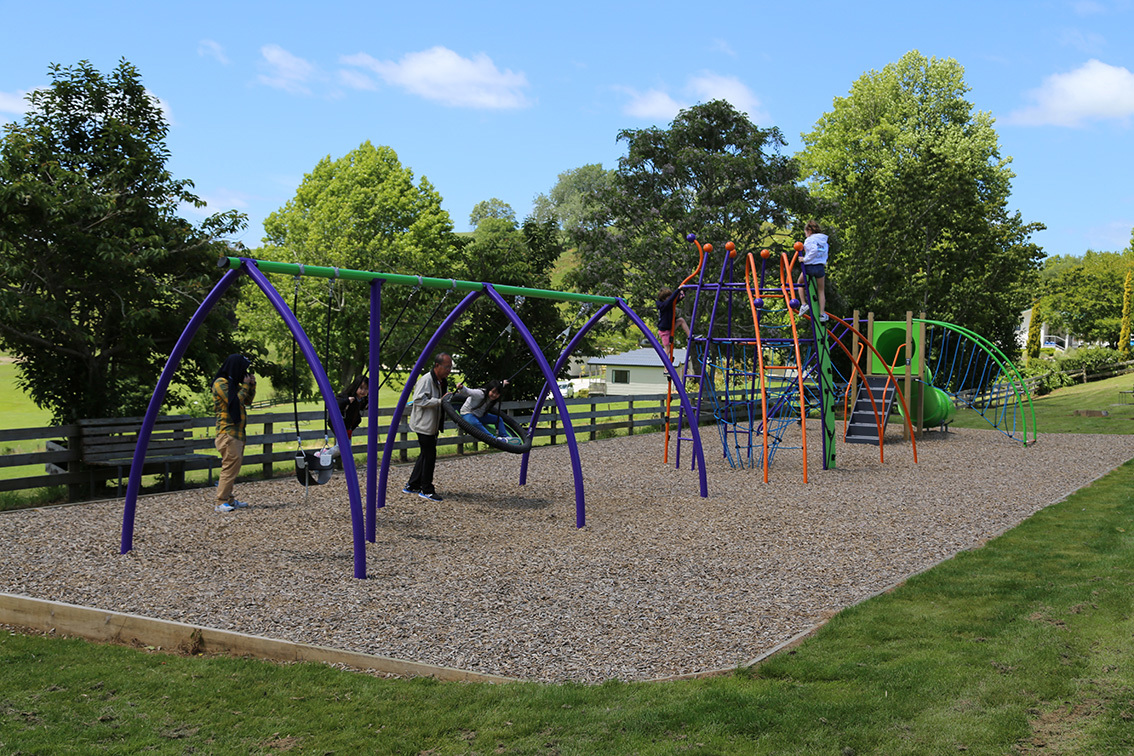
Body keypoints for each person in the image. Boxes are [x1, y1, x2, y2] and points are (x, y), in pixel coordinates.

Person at [403, 352, 452, 502]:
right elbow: (418, 400)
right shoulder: (426, 380)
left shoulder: (440, 381)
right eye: (447, 367)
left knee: (424, 454)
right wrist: (439, 402)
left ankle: (413, 484)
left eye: (450, 367)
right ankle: (427, 489)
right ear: (437, 365)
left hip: (431, 425)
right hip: (423, 425)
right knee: (430, 455)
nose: (449, 370)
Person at [212, 354, 256, 513]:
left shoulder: (233, 384)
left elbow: (247, 401)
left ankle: (228, 499)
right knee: (230, 466)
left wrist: (251, 385)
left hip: (237, 433)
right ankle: (221, 501)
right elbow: (235, 401)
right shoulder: (220, 383)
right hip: (227, 432)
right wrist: (244, 386)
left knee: (233, 467)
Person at [328, 375, 369, 465]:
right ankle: (323, 456)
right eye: (361, 388)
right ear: (355, 387)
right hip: (339, 423)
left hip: (349, 426)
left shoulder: (361, 399)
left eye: (366, 389)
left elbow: (361, 407)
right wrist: (346, 401)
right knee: (342, 447)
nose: (363, 391)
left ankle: (324, 459)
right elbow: (335, 404)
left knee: (345, 448)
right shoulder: (347, 396)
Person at [796, 220, 830, 322]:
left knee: (800, 283)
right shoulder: (824, 241)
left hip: (810, 266)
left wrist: (804, 259)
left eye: (805, 232)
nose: (805, 234)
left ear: (809, 230)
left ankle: (803, 304)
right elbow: (824, 253)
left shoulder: (810, 240)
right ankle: (822, 314)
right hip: (820, 267)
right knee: (821, 290)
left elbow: (814, 250)